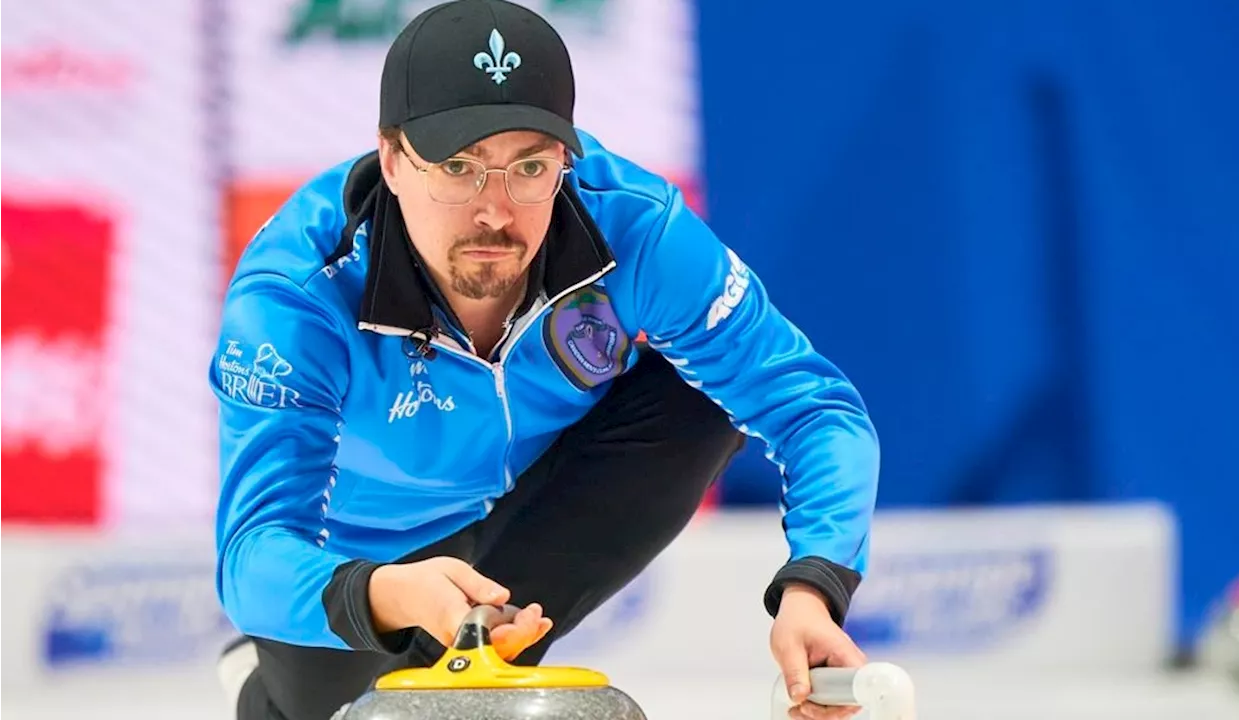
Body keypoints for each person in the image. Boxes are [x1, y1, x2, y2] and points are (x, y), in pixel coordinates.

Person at [210, 1, 880, 719]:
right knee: (338, 706)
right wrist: (382, 592)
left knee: (709, 399)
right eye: (459, 167)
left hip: (540, 496)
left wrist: (815, 585)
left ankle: (474, 652)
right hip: (368, 556)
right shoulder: (298, 292)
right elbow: (254, 553)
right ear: (394, 160)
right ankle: (271, 682)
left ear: (565, 160)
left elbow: (815, 409)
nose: (494, 211)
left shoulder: (635, 228)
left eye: (528, 167)